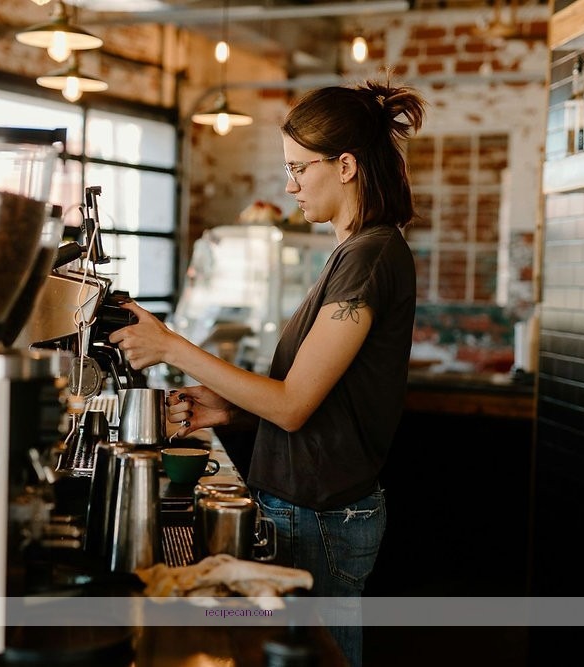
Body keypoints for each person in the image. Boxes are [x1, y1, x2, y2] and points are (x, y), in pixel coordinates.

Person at [109, 79, 425, 667]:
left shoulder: (371, 256)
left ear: (347, 165)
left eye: (301, 168)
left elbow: (293, 405)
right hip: (307, 509)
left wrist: (172, 347)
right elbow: (320, 400)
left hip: (322, 519)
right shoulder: (349, 253)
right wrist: (230, 410)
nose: (290, 185)